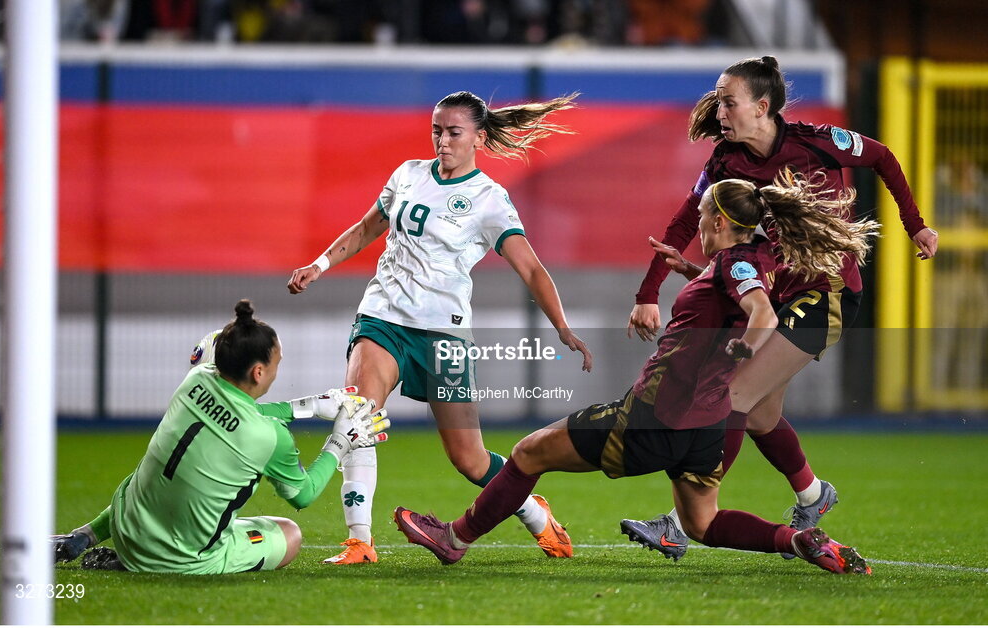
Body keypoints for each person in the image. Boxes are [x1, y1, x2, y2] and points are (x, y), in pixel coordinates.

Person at [394, 172, 878, 575]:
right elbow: (739, 293)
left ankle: (454, 538)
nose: (699, 224)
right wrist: (693, 272)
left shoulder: (734, 264)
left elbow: (761, 315)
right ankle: (799, 541)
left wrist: (747, 343)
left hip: (655, 416)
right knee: (701, 524)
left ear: (719, 220)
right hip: (708, 427)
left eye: (704, 215)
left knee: (529, 451)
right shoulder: (752, 259)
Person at [625, 55, 938, 560]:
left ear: (762, 106)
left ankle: (680, 525)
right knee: (760, 413)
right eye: (718, 99)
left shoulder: (817, 142)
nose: (719, 109)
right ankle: (814, 496)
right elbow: (685, 223)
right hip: (783, 294)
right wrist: (647, 292)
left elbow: (882, 156)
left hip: (829, 294)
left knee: (731, 394)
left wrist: (915, 223)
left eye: (729, 101)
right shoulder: (726, 161)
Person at [287, 90, 593, 564]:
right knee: (357, 421)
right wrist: (320, 263)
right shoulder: (408, 174)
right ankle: (359, 541)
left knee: (468, 458)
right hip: (383, 318)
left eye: (453, 133)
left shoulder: (489, 199)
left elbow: (531, 268)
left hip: (444, 334)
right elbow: (369, 227)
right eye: (437, 131)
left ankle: (535, 513)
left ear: (478, 138)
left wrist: (562, 326)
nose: (443, 142)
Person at [50, 299, 390, 574]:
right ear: (259, 372)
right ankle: (154, 561)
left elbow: (241, 411)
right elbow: (304, 495)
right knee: (289, 533)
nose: (277, 370)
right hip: (181, 559)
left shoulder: (194, 381)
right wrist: (340, 441)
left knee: (154, 480)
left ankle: (84, 536)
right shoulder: (269, 437)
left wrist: (310, 406)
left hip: (128, 529)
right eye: (276, 363)